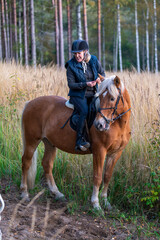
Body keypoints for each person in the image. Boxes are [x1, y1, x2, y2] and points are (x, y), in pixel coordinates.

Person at [65, 39, 105, 151]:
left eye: (79, 53)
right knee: (84, 111)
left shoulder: (94, 60)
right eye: (75, 53)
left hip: (93, 93)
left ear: (85, 51)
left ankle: (95, 138)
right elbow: (71, 84)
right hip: (77, 95)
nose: (77, 56)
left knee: (98, 110)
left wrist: (99, 79)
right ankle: (79, 141)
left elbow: (102, 73)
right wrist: (85, 84)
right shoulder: (70, 65)